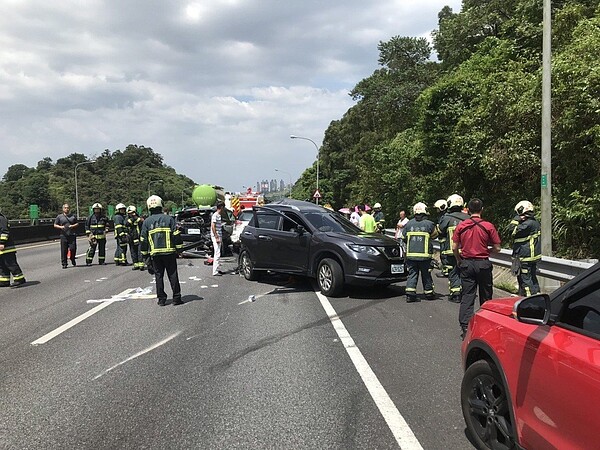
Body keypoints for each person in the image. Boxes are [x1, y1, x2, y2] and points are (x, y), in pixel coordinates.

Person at [452, 198, 501, 339]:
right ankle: (486, 325)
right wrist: (486, 250)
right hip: (483, 264)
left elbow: (454, 247)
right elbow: (498, 247)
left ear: (467, 209)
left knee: (468, 296)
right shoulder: (488, 226)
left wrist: (459, 260)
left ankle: (466, 327)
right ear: (482, 209)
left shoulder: (461, 226)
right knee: (486, 296)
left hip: (467, 264)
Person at [140, 195, 183, 306]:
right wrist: (179, 250)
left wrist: (145, 255)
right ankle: (176, 298)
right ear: (161, 205)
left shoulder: (146, 222)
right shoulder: (169, 219)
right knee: (173, 275)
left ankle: (161, 299)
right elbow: (176, 235)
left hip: (155, 254)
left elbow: (143, 240)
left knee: (159, 276)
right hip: (169, 253)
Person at [437, 194, 470, 303]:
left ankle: (455, 294)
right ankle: (465, 292)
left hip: (451, 250)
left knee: (453, 271)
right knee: (465, 272)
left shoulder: (446, 218)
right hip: (467, 251)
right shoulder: (469, 218)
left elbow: (440, 231)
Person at [403, 202, 438, 302]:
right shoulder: (429, 224)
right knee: (426, 275)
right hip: (425, 256)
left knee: (412, 274)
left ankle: (410, 294)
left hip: (411, 256)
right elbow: (435, 235)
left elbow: (404, 238)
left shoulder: (408, 224)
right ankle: (429, 293)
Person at [509, 200, 541, 296]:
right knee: (532, 277)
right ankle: (535, 294)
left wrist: (516, 219)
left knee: (525, 278)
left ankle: (528, 298)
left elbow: (512, 231)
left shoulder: (527, 224)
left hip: (525, 255)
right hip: (532, 256)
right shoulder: (534, 222)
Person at [0, 208, 26, 287]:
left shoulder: (1, 218)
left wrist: (2, 242)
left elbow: (4, 231)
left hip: (6, 247)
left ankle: (19, 279)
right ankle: (4, 281)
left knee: (10, 264)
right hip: (2, 249)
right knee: (2, 265)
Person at [53, 203, 79, 269]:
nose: (66, 209)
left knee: (73, 248)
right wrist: (61, 227)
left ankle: (72, 258)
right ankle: (64, 263)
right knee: (64, 250)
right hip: (63, 235)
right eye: (65, 208)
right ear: (63, 209)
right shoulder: (59, 217)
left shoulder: (73, 216)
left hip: (72, 235)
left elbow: (77, 223)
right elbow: (55, 225)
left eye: (68, 208)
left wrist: (72, 226)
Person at [433, 199, 449, 277]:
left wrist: (436, 228)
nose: (437, 210)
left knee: (444, 256)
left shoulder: (445, 217)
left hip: (445, 240)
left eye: (438, 208)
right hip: (443, 239)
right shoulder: (443, 216)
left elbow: (441, 228)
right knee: (443, 255)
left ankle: (446, 271)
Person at [126, 205, 145, 271]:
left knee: (140, 252)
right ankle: (136, 264)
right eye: (129, 213)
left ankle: (141, 265)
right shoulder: (127, 219)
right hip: (131, 238)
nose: (131, 214)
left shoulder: (139, 218)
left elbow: (141, 222)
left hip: (138, 237)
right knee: (133, 252)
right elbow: (127, 224)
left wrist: (135, 217)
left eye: (132, 213)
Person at [211, 201, 226, 276]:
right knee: (217, 253)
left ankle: (217, 269)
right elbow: (213, 226)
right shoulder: (215, 215)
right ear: (222, 207)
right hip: (216, 236)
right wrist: (216, 236)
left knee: (218, 252)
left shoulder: (219, 216)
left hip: (219, 235)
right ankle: (215, 271)